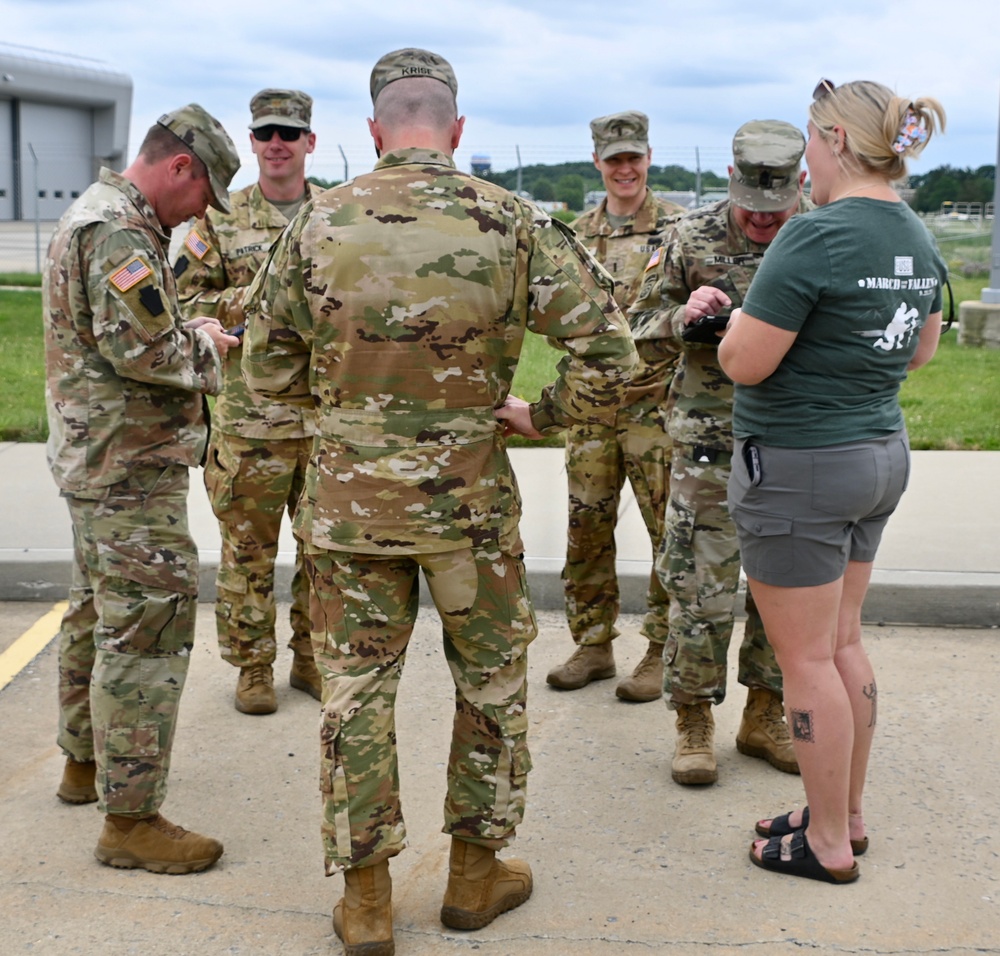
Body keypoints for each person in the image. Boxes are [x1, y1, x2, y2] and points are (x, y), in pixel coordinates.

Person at [241, 48, 638, 954]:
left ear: (374, 131)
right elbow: (613, 357)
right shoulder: (510, 222)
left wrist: (341, 427)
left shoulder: (312, 223)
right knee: (492, 683)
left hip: (350, 513)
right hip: (469, 511)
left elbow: (261, 372)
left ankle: (370, 900)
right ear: (456, 132)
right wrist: (541, 413)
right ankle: (471, 877)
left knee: (353, 697)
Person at [719, 80, 946, 883]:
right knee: (844, 642)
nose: (806, 160)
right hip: (879, 451)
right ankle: (841, 815)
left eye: (812, 142)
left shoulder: (814, 236)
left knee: (807, 660)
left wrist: (728, 330)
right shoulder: (915, 233)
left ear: (836, 141)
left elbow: (745, 362)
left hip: (803, 467)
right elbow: (920, 352)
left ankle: (825, 847)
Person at [45, 104, 241, 873]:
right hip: (129, 470)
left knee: (95, 613)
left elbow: (117, 333)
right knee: (146, 634)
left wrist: (183, 328)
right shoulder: (120, 231)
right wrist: (208, 346)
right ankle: (130, 821)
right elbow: (145, 352)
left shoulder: (98, 216)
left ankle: (83, 763)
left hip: (98, 462)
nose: (202, 215)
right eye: (204, 196)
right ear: (181, 169)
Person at [628, 120, 809, 785]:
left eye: (777, 210)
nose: (763, 223)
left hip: (795, 441)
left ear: (801, 186)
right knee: (700, 590)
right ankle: (694, 717)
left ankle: (765, 712)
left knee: (783, 590)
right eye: (752, 211)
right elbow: (637, 330)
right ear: (731, 183)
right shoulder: (688, 237)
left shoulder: (822, 235)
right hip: (709, 444)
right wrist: (684, 317)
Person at [175, 89, 322, 715]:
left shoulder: (338, 218)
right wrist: (259, 304)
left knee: (326, 551)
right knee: (246, 553)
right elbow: (182, 307)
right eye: (266, 133)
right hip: (249, 422)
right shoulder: (220, 219)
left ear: (310, 141)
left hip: (324, 419)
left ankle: (313, 658)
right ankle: (253, 667)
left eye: (290, 131)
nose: (277, 143)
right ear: (254, 141)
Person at [546, 110, 685, 702]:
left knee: (668, 534)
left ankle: (660, 648)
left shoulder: (681, 228)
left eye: (634, 157)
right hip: (593, 413)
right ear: (598, 162)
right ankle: (594, 643)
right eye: (614, 159)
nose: (625, 168)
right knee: (587, 529)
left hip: (658, 408)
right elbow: (556, 315)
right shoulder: (575, 234)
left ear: (648, 158)